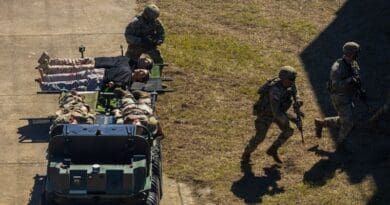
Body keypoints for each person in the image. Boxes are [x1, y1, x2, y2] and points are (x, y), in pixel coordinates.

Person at [241, 66, 303, 166]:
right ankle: (246, 153)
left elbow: (296, 92)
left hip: (278, 112)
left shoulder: (290, 84)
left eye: (293, 79)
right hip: (266, 114)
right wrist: (293, 118)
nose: (293, 82)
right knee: (260, 137)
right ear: (283, 78)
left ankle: (273, 149)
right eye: (290, 79)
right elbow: (276, 113)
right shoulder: (275, 90)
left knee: (289, 130)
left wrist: (298, 101)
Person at [314, 42, 365, 148]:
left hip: (348, 94)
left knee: (344, 118)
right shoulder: (337, 68)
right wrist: (349, 81)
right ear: (350, 53)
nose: (358, 55)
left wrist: (359, 90)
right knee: (348, 122)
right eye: (356, 53)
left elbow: (356, 76)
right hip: (340, 97)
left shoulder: (353, 63)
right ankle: (340, 144)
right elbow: (336, 86)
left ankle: (321, 123)